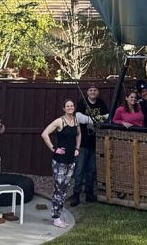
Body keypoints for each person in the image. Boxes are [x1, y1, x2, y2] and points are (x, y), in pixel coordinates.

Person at [41, 99, 81, 228]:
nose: (70, 108)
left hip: (71, 160)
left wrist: (77, 148)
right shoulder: (60, 121)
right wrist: (54, 148)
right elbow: (44, 134)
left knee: (64, 189)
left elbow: (79, 134)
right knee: (58, 189)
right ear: (64, 108)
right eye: (67, 106)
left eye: (71, 106)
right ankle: (56, 218)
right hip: (59, 161)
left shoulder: (76, 121)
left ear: (74, 107)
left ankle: (58, 215)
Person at [70, 84, 109, 206]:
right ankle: (76, 194)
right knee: (79, 169)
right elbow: (78, 117)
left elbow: (107, 116)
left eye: (95, 90)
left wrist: (97, 118)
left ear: (98, 92)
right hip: (82, 142)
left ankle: (89, 193)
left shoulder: (101, 103)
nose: (93, 92)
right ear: (87, 92)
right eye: (91, 90)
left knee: (91, 170)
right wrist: (94, 120)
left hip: (95, 142)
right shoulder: (82, 102)